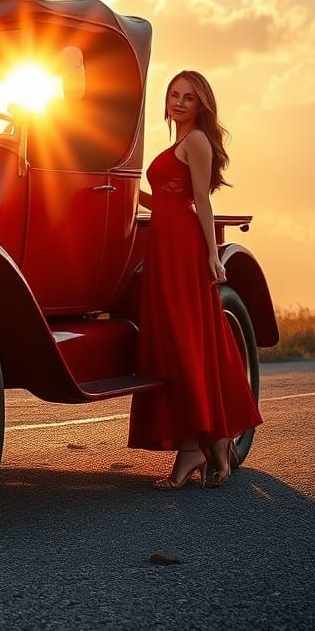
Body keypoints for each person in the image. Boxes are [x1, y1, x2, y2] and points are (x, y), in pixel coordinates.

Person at [128, 69, 262, 488]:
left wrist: (211, 255)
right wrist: (129, 191)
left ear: (201, 104)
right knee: (177, 343)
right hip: (164, 246)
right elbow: (166, 198)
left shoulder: (197, 141)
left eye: (189, 97)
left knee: (186, 344)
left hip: (183, 249)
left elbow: (200, 201)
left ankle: (194, 449)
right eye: (174, 95)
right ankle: (213, 442)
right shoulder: (179, 143)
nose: (179, 102)